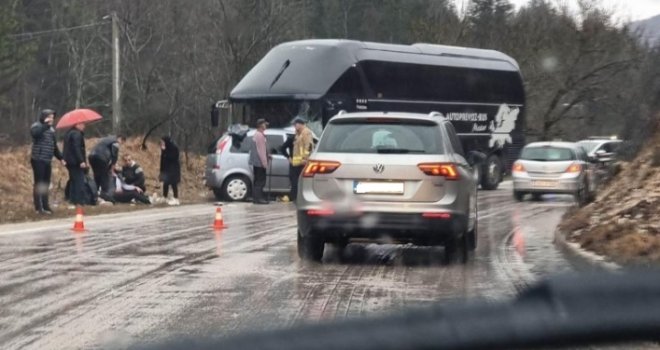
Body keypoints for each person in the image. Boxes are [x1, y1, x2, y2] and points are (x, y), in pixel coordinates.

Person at [30, 109, 65, 214]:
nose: (51, 119)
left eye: (52, 117)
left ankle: (45, 206)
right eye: (49, 117)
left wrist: (61, 158)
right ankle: (38, 207)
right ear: (44, 117)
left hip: (47, 160)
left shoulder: (51, 130)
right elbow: (35, 134)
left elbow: (54, 147)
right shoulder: (36, 126)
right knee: (39, 183)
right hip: (38, 159)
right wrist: (45, 125)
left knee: (45, 184)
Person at [280, 116, 314, 202]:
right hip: (296, 162)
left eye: (296, 124)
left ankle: (297, 197)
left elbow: (308, 146)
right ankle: (294, 197)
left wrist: (305, 159)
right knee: (294, 180)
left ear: (300, 124)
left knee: (299, 181)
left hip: (302, 162)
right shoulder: (298, 133)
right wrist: (289, 158)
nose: (294, 126)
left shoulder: (306, 133)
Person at [63, 122, 88, 207]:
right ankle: (79, 202)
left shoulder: (68, 133)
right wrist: (81, 161)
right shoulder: (77, 134)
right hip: (75, 162)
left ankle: (72, 200)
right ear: (77, 125)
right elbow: (76, 148)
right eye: (82, 124)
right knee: (79, 181)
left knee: (73, 181)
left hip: (69, 161)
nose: (84, 126)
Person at [248, 118, 271, 204]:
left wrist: (268, 154)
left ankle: (256, 198)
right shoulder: (260, 136)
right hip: (259, 162)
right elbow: (261, 150)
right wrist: (264, 163)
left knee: (257, 180)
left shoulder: (256, 135)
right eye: (265, 124)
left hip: (256, 162)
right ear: (261, 125)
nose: (266, 126)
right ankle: (259, 198)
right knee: (260, 181)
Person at [160, 136, 181, 206]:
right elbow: (163, 159)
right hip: (166, 168)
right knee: (165, 183)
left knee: (173, 183)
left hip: (173, 169)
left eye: (162, 142)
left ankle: (176, 198)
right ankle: (164, 197)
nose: (161, 143)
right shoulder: (164, 148)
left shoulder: (174, 148)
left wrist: (164, 151)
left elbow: (172, 158)